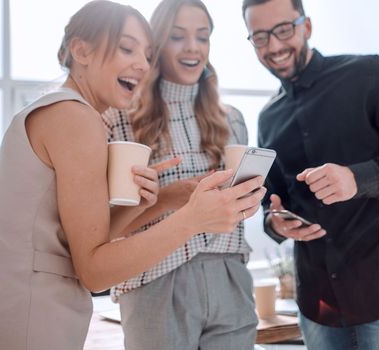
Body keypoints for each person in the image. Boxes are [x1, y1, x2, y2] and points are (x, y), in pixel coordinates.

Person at [0, 2, 266, 350]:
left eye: (147, 54)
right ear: (80, 50)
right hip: (28, 319)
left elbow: (81, 237)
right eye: (127, 48)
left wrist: (163, 198)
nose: (143, 64)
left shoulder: (62, 111)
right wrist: (191, 219)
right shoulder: (75, 117)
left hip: (21, 313)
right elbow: (94, 268)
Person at [242, 0, 379, 349]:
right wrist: (274, 222)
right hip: (316, 303)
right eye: (261, 37)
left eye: (283, 30)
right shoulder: (268, 118)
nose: (274, 46)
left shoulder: (370, 74)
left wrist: (358, 178)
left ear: (306, 27)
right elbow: (273, 199)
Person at [101, 0, 259, 349]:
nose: (192, 47)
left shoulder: (232, 119)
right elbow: (106, 227)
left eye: (202, 37)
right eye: (177, 36)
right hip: (155, 279)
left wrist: (247, 200)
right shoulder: (120, 119)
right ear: (155, 45)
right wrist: (169, 198)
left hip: (229, 273)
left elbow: (237, 211)